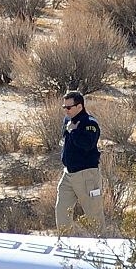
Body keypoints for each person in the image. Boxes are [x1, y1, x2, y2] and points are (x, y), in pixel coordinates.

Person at [55, 90, 105, 228]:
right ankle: (64, 242)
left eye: (69, 107)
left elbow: (87, 145)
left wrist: (74, 131)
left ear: (79, 106)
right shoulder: (68, 121)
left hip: (86, 175)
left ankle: (101, 244)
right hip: (68, 174)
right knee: (62, 211)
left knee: (94, 215)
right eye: (64, 107)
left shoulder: (90, 124)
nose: (66, 110)